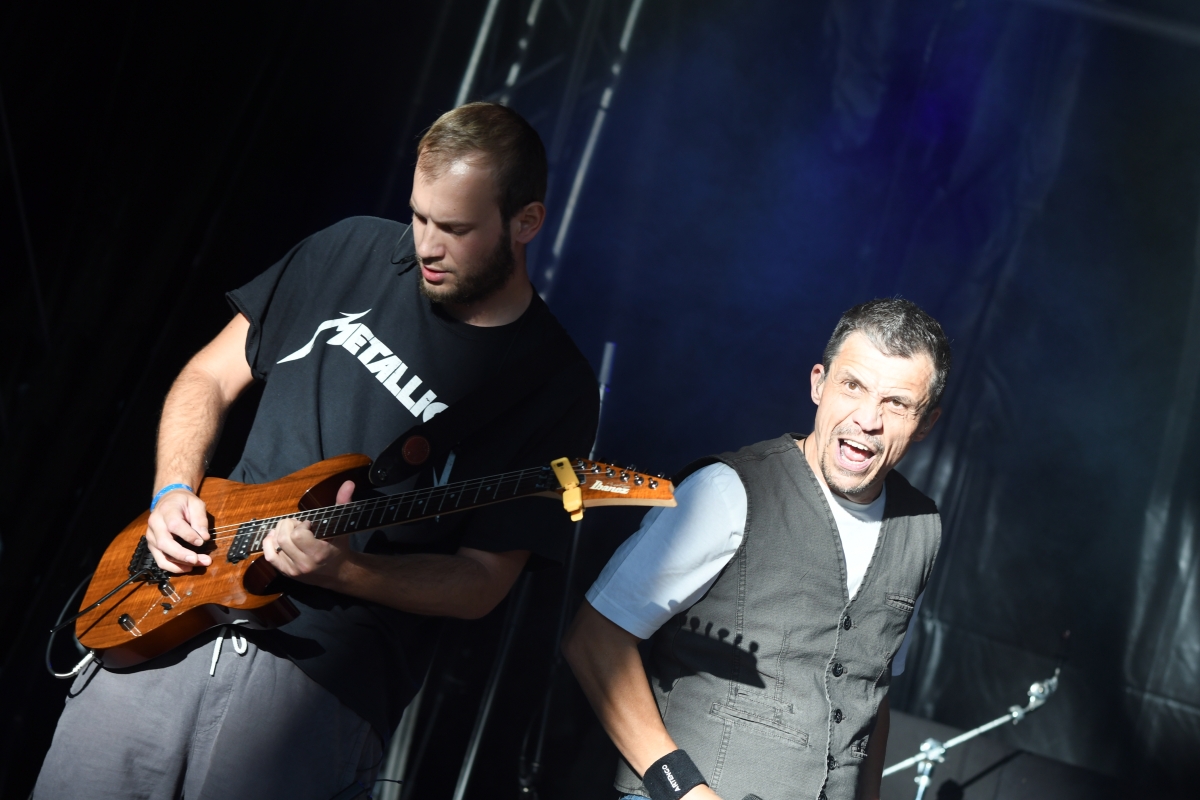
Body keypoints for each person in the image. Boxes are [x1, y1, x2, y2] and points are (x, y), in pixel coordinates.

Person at [35, 102, 599, 800]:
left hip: (319, 683)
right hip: (170, 610)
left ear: (526, 222)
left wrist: (348, 572)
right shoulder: (350, 250)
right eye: (419, 217)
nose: (426, 246)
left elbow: (482, 582)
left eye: (454, 229)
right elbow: (209, 376)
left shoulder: (552, 384)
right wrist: (172, 490)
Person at [563, 298, 950, 800]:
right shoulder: (728, 489)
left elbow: (870, 693)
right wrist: (685, 791)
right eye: (852, 386)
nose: (867, 419)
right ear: (818, 383)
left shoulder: (920, 528)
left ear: (926, 423)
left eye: (896, 403)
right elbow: (595, 639)